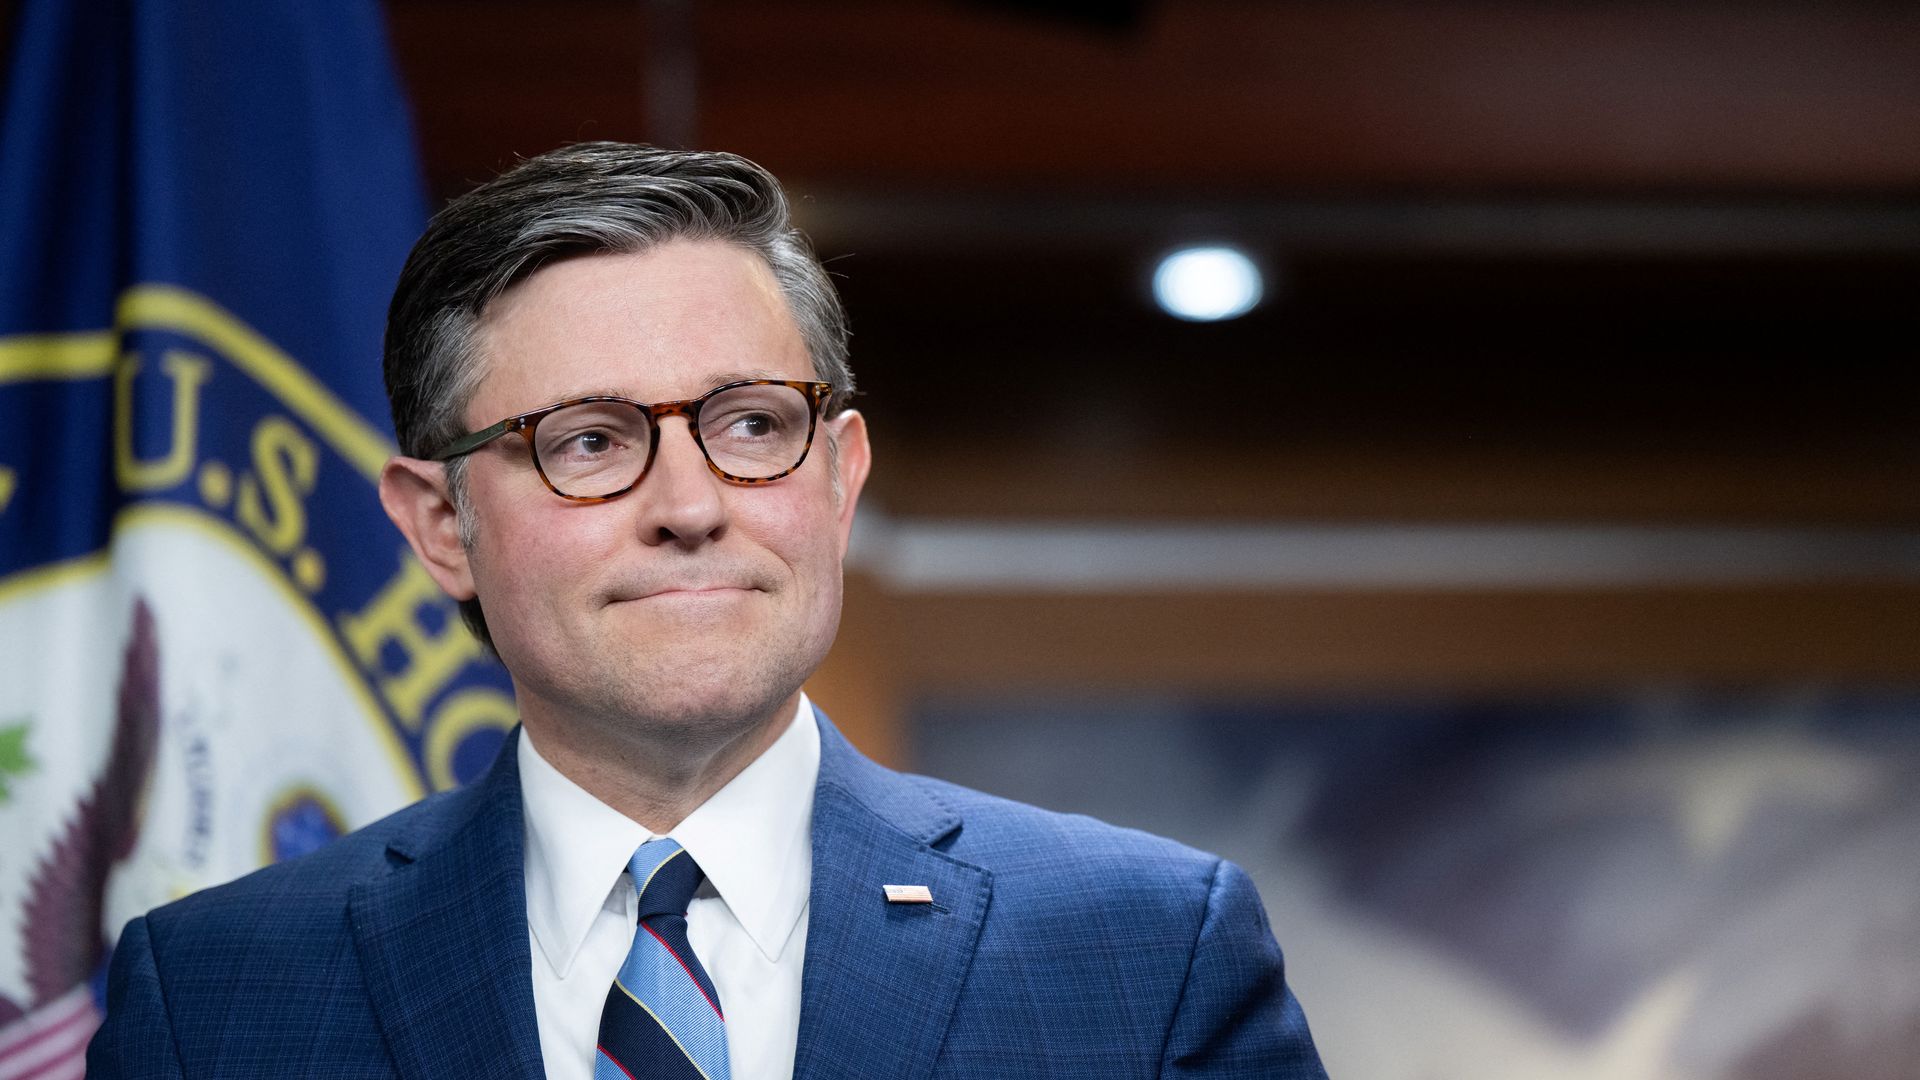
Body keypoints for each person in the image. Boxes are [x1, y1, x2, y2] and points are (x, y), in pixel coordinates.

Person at [88, 143, 1328, 1079]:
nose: (690, 505)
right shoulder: (212, 995)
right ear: (437, 524)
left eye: (751, 424)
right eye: (587, 440)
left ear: (839, 478)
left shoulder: (1148, 953)